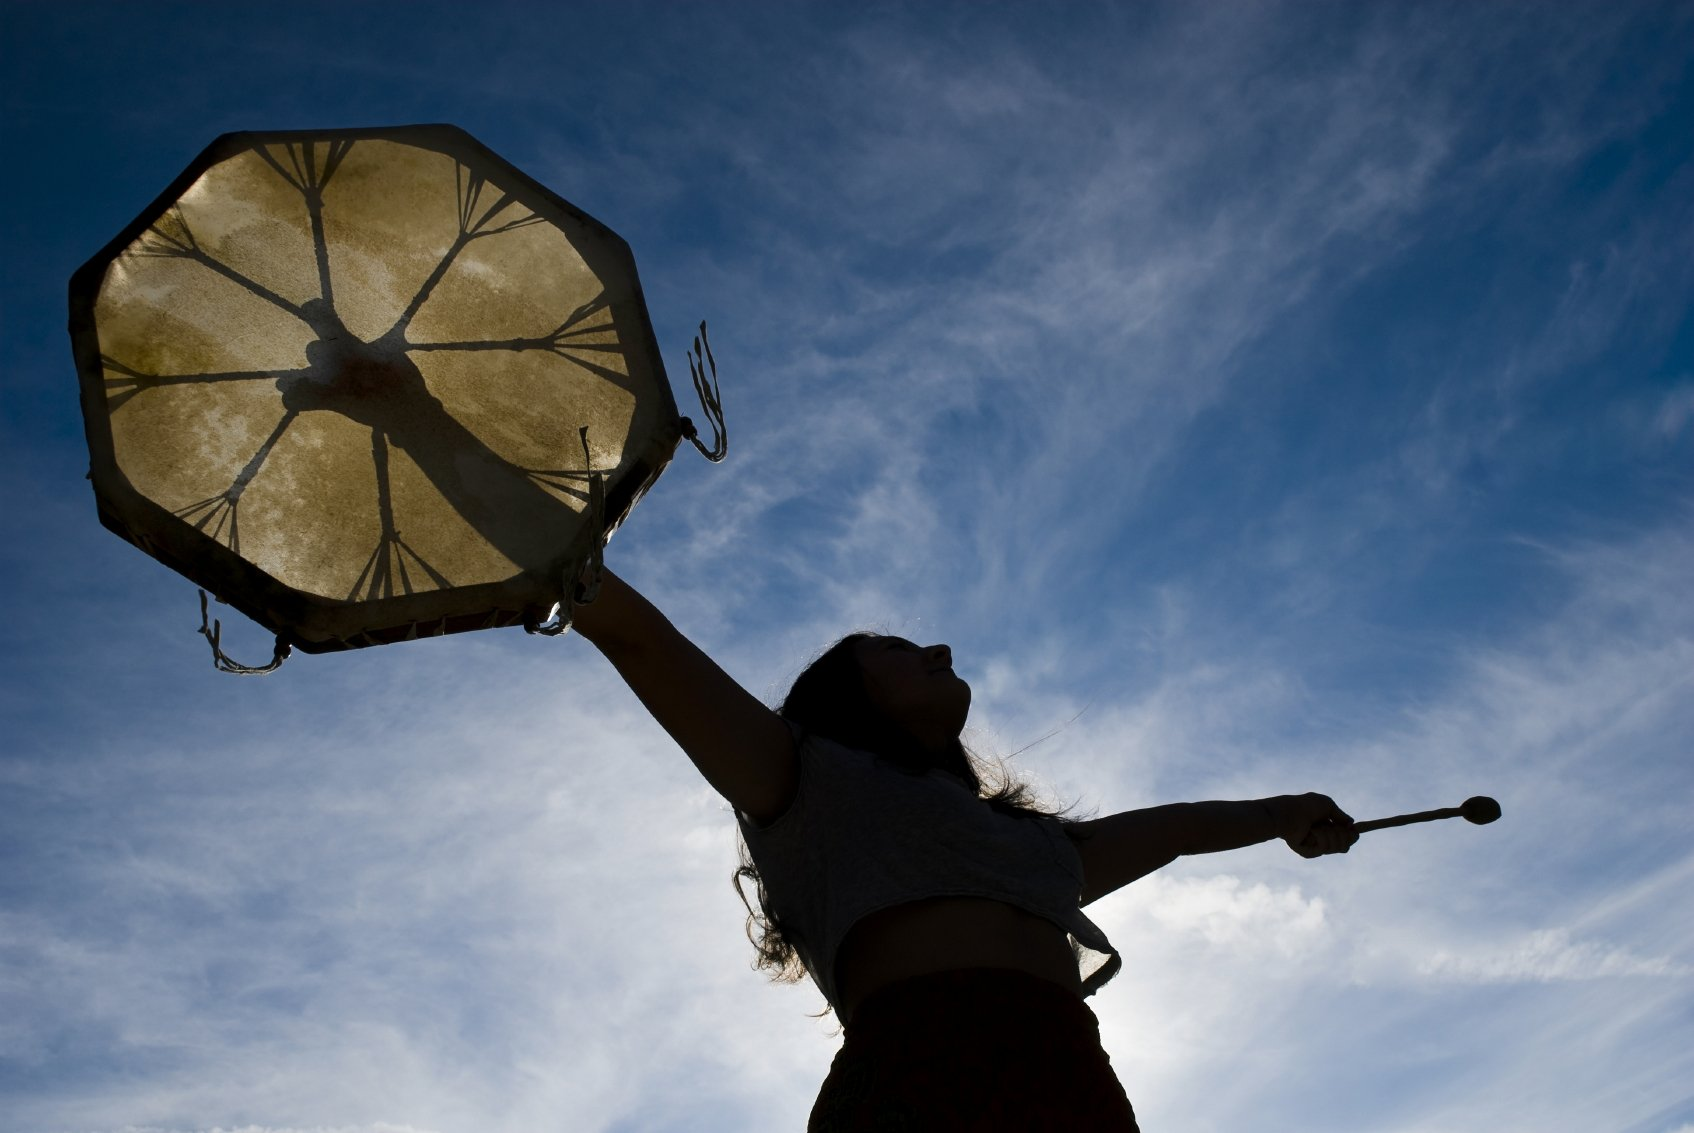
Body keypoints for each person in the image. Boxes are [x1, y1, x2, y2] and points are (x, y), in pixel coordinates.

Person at [570, 567, 1357, 1131]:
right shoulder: (800, 774)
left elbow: (1180, 831)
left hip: (1073, 1080)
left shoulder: (1032, 845)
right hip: (914, 1076)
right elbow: (644, 643)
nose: (939, 647)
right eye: (897, 648)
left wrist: (1284, 812)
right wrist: (564, 563)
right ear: (845, 696)